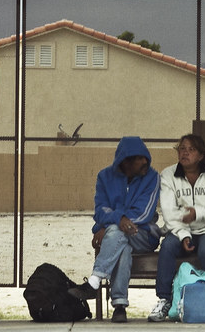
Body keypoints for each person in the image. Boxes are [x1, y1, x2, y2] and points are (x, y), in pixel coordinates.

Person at [69, 136, 161, 323]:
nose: (145, 161)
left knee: (118, 232)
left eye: (145, 157)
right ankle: (120, 306)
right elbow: (100, 209)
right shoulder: (105, 177)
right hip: (120, 237)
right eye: (139, 158)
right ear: (125, 161)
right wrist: (116, 220)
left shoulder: (152, 177)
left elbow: (143, 213)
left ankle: (94, 283)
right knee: (122, 246)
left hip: (143, 235)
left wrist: (108, 224)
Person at [147, 134, 205, 322]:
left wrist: (198, 213)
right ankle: (165, 300)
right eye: (182, 148)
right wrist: (184, 235)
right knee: (168, 247)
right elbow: (170, 212)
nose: (185, 152)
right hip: (180, 229)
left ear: (201, 155)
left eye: (191, 149)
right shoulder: (168, 175)